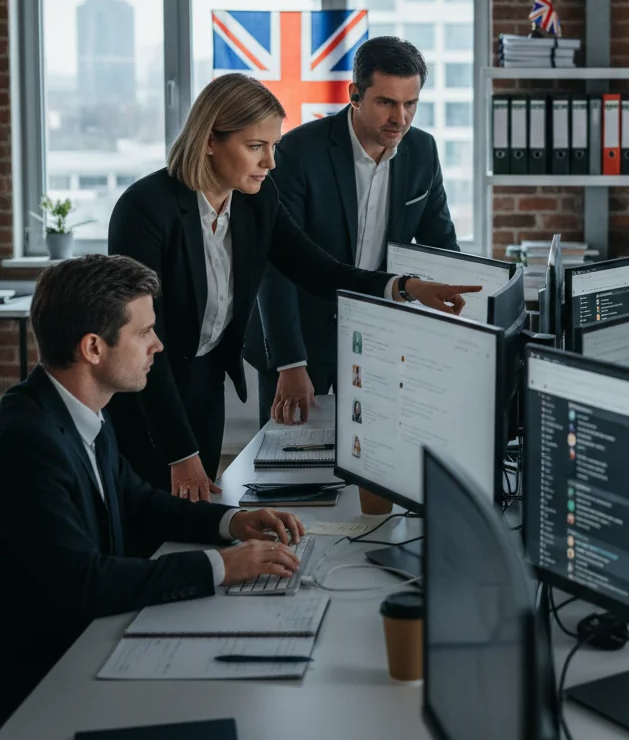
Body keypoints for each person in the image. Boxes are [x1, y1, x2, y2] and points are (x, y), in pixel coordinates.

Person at [107, 73, 478, 501]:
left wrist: (406, 286)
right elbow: (144, 339)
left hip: (204, 382)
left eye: (273, 146)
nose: (271, 163)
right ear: (210, 140)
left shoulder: (255, 200)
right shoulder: (144, 210)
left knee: (193, 517)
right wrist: (179, 451)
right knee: (147, 520)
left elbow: (319, 270)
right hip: (145, 388)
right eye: (255, 147)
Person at [0, 256, 306, 721]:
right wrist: (221, 567)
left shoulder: (81, 412)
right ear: (93, 349)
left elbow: (137, 503)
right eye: (143, 332)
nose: (158, 346)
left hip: (91, 644)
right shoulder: (25, 440)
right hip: (45, 685)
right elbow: (86, 583)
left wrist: (232, 522)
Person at [247, 36, 460, 428]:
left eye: (410, 103)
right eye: (386, 102)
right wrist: (290, 362)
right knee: (290, 464)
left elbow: (442, 245)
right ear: (355, 95)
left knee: (369, 459)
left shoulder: (422, 153)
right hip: (301, 336)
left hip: (375, 336)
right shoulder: (297, 153)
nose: (400, 117)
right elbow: (274, 264)